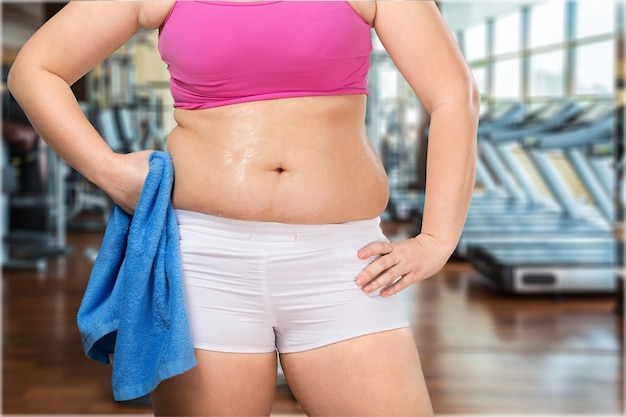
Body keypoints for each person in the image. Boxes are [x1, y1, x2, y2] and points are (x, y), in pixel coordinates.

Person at [8, 1, 479, 415]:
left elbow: (454, 95)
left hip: (343, 263)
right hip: (203, 261)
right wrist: (107, 170)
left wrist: (437, 239)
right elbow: (36, 69)